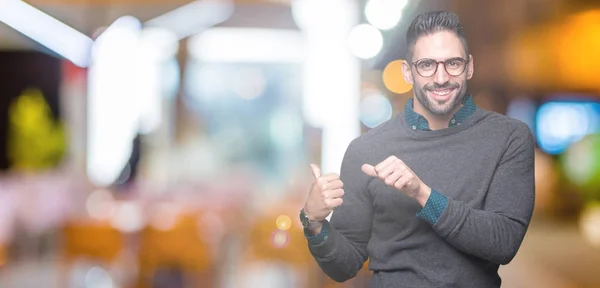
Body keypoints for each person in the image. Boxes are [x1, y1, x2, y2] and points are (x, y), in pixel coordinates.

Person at [299, 11, 535, 287]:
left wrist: (421, 193)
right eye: (426, 65)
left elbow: (503, 243)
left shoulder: (508, 138)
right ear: (407, 72)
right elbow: (345, 265)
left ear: (469, 67)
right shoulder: (366, 150)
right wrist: (313, 222)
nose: (441, 77)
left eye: (453, 64)